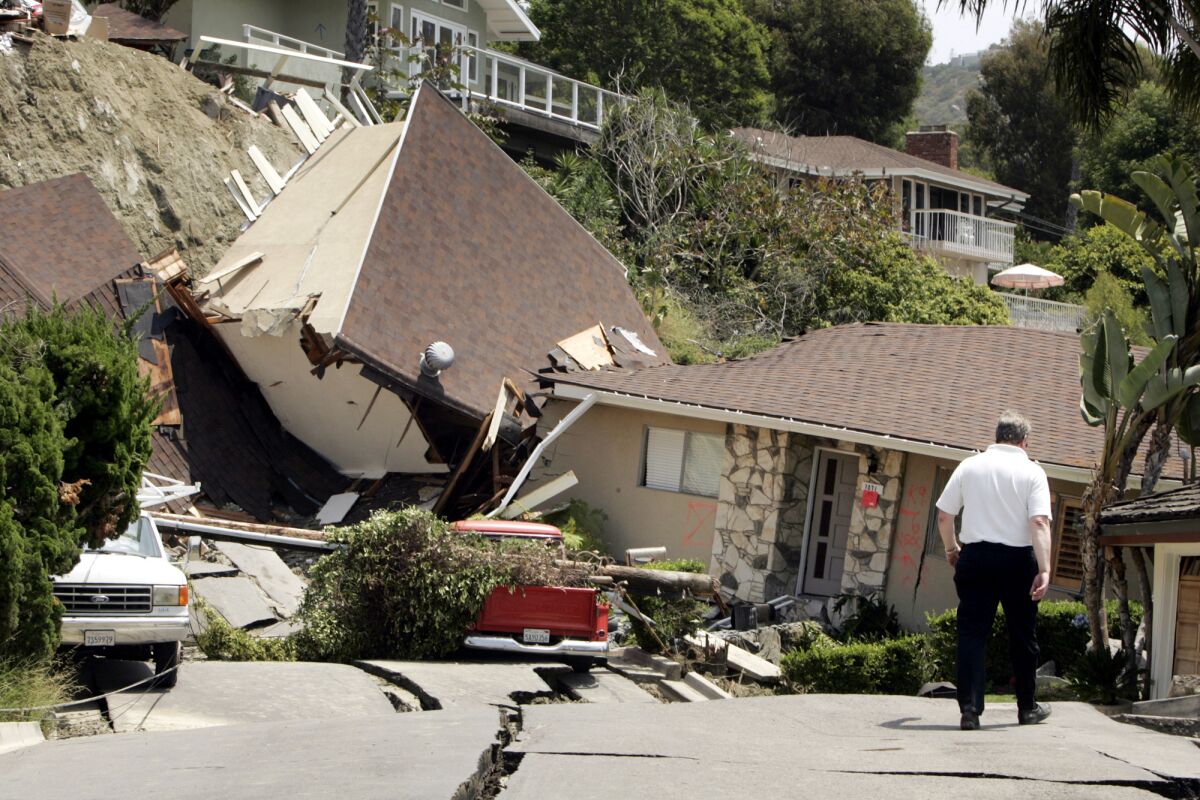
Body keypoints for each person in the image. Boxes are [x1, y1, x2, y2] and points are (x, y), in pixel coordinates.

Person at [936, 410, 1054, 731]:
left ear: (997, 435)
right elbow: (1039, 522)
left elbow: (945, 515)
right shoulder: (1032, 473)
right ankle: (1027, 708)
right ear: (1024, 441)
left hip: (976, 557)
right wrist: (1044, 569)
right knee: (1022, 635)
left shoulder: (970, 466)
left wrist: (951, 548)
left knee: (972, 634)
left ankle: (970, 711)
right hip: (1018, 561)